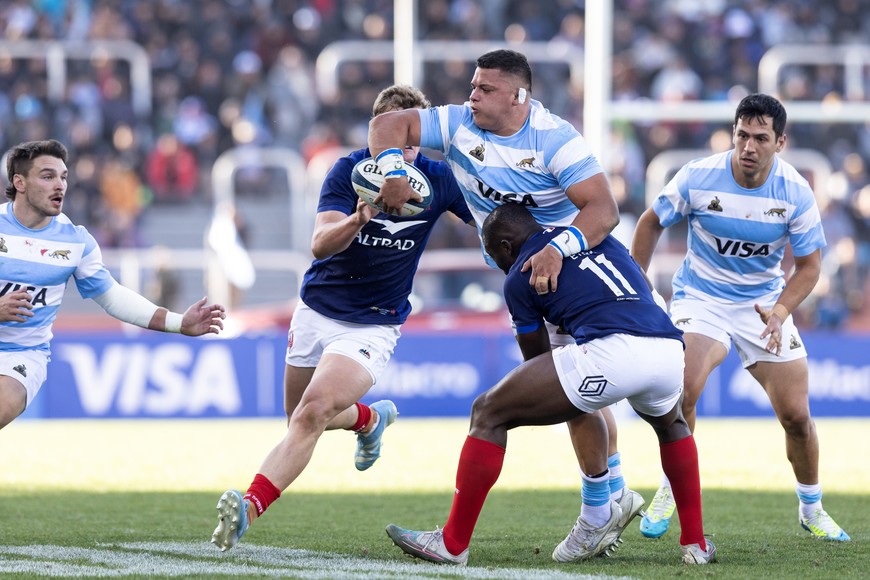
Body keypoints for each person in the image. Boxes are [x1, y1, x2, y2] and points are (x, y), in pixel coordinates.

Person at [367, 49, 643, 546]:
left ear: (519, 96)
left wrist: (556, 250)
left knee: (563, 393)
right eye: (473, 85)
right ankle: (612, 496)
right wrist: (392, 170)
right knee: (577, 393)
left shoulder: (554, 139)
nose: (472, 95)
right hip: (530, 280)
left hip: (571, 279)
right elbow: (388, 124)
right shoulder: (458, 125)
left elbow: (604, 210)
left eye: (485, 89)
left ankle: (602, 507)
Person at [210, 85, 474, 551]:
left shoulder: (439, 179)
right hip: (316, 309)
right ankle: (367, 420)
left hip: (373, 322)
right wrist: (359, 219)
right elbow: (319, 245)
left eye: (413, 138)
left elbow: (488, 220)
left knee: (312, 413)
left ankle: (248, 508)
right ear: (377, 138)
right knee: (297, 416)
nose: (406, 150)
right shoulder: (348, 172)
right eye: (397, 139)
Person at [385, 203, 716, 565]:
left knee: (487, 412)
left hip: (613, 351)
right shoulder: (598, 239)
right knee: (672, 426)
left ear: (507, 246)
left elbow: (539, 361)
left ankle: (451, 544)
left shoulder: (522, 272)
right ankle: (695, 544)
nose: (500, 266)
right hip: (668, 347)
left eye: (496, 256)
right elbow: (641, 283)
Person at [630, 93, 850, 542]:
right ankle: (670, 488)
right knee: (684, 392)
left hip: (763, 306)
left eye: (761, 138)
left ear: (780, 142)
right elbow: (650, 222)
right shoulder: (698, 176)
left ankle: (812, 509)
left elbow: (809, 267)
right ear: (732, 134)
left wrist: (781, 311)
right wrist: (637, 287)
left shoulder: (795, 191)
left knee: (796, 415)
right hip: (701, 299)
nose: (749, 146)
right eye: (742, 135)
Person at [0, 139, 226, 431]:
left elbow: (113, 297)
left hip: (22, 354)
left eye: (63, 177)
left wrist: (178, 322)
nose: (59, 185)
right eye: (47, 176)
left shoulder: (76, 241)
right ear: (19, 182)